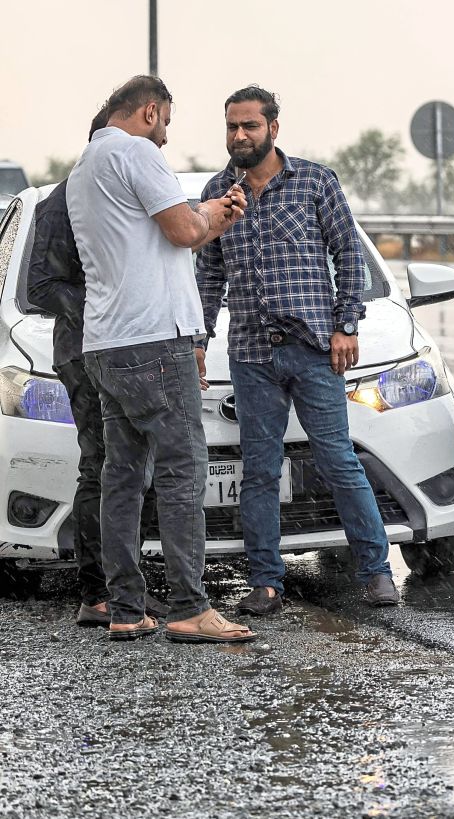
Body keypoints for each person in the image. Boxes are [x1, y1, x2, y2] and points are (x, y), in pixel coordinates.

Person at [195, 85, 399, 613]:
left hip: (314, 349)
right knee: (259, 469)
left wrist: (346, 324)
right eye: (232, 127)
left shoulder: (314, 181)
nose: (240, 136)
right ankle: (266, 583)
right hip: (251, 353)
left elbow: (347, 254)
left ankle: (376, 571)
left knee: (337, 459)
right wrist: (199, 340)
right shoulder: (219, 193)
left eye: (250, 126)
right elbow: (209, 274)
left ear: (273, 129)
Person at [67, 75, 254, 643]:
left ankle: (124, 606)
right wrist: (212, 220)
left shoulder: (83, 169)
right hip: (155, 338)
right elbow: (180, 232)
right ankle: (190, 607)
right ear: (150, 112)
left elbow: (152, 235)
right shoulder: (137, 152)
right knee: (181, 469)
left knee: (121, 475)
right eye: (167, 122)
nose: (168, 137)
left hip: (106, 342)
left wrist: (204, 214)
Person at [25, 106, 171, 627]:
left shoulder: (122, 198)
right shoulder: (61, 200)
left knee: (132, 467)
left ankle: (123, 586)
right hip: (86, 348)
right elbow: (38, 285)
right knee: (104, 467)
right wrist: (105, 302)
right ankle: (100, 593)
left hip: (132, 344)